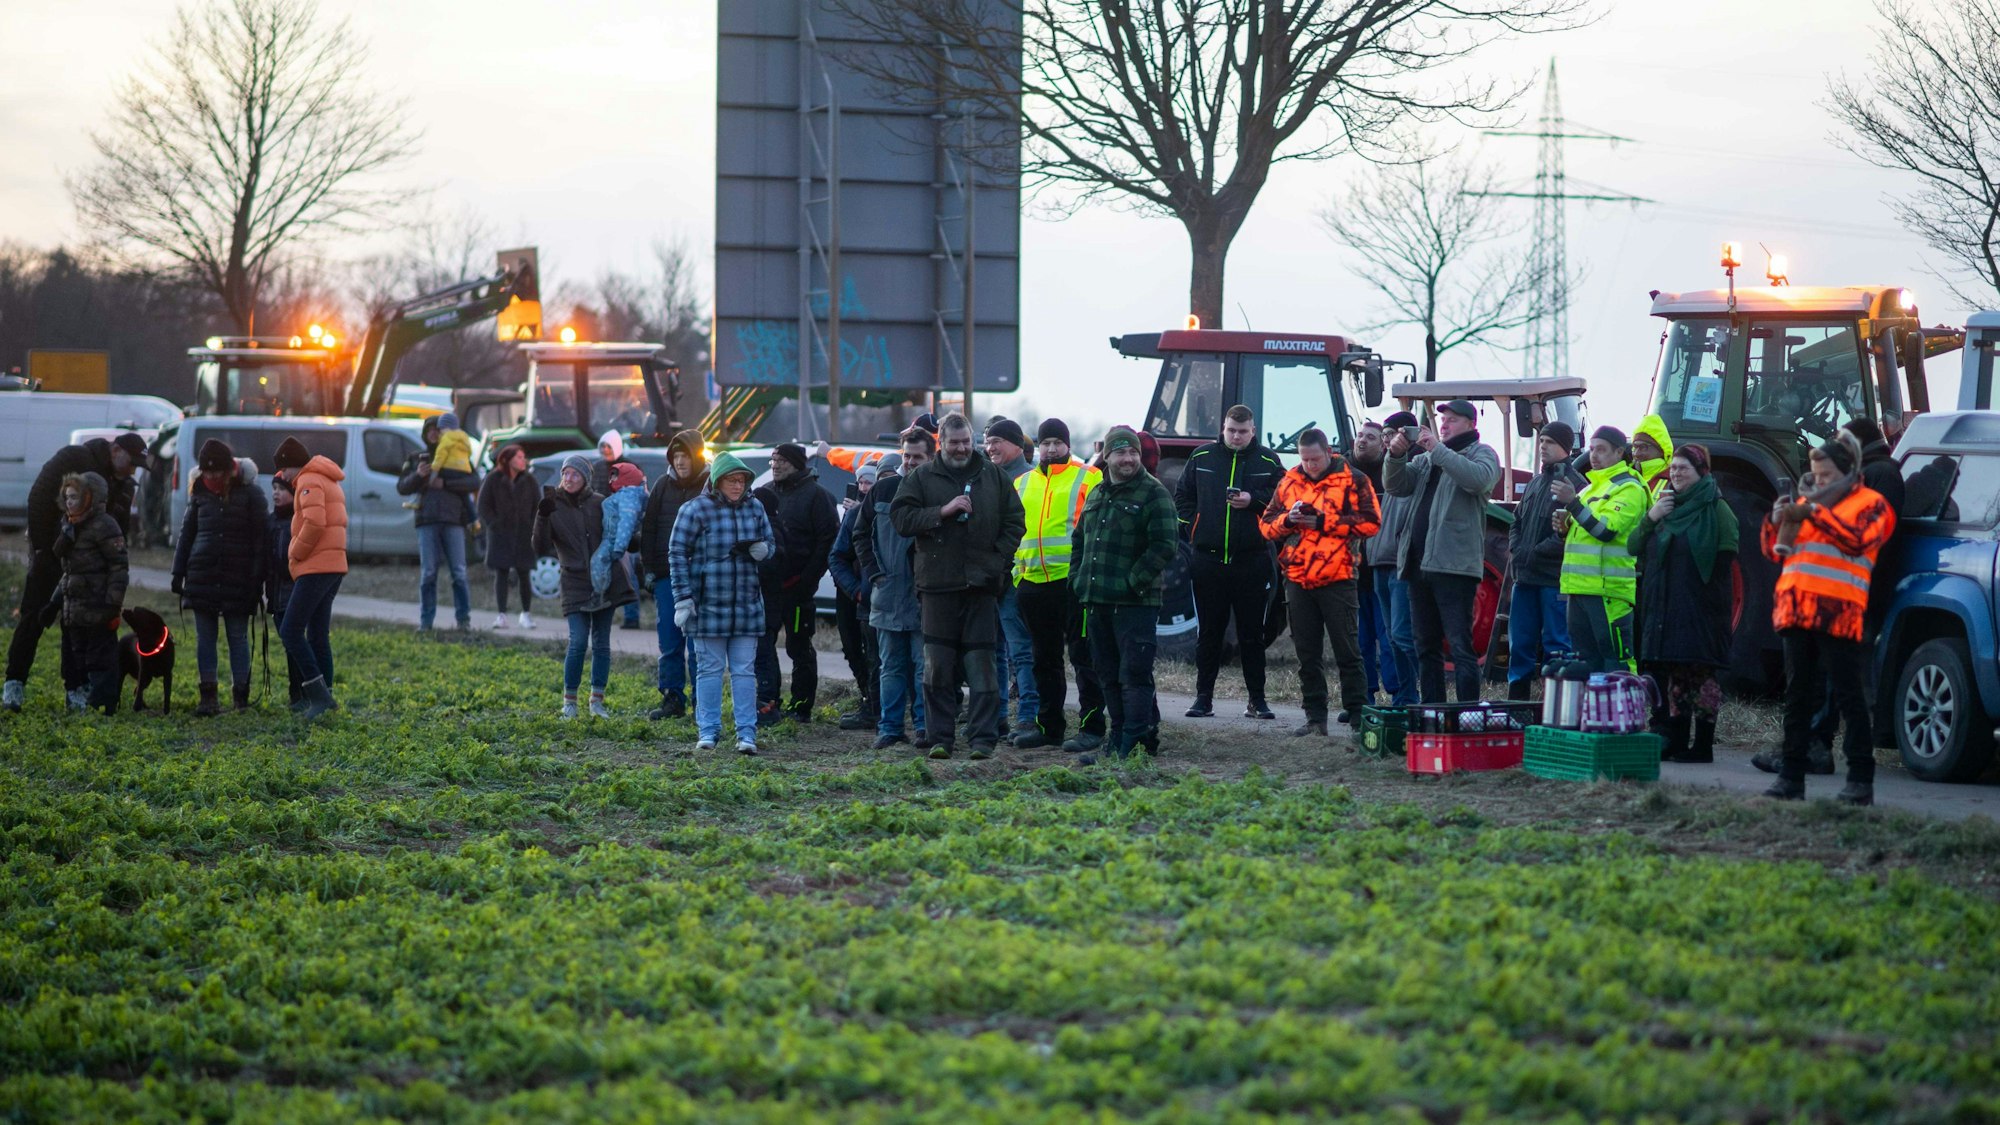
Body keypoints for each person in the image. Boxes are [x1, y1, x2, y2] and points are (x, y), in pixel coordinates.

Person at [1760, 432, 1895, 805]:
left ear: (1849, 470)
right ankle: (1790, 779)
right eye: (1816, 475)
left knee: (1850, 698)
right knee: (1797, 699)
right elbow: (1775, 554)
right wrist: (1774, 522)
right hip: (1796, 613)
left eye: (1827, 475)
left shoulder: (1872, 504)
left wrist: (1815, 513)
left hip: (1839, 615)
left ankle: (1860, 782)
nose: (1819, 482)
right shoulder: (1806, 502)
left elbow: (1858, 539)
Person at [889, 413, 1028, 760]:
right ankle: (940, 739)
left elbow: (1015, 521)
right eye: (954, 443)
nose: (962, 448)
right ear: (942, 444)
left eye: (967, 441)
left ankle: (982, 740)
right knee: (937, 668)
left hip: (981, 586)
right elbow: (901, 519)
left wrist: (997, 562)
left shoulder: (993, 477)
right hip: (937, 587)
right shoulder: (921, 478)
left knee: (983, 667)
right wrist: (942, 511)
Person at [4, 432, 144, 712]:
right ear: (115, 450)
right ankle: (14, 683)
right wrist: (44, 550)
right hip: (53, 555)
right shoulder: (75, 459)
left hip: (88, 571)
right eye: (131, 462)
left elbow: (119, 533)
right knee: (34, 617)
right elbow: (39, 499)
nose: (132, 469)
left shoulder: (122, 485)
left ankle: (76, 689)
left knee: (76, 628)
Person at [1256, 427, 1382, 735]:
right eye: (1304, 459)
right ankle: (1315, 719)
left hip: (1339, 577)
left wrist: (1326, 522)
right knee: (1307, 655)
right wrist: (1289, 520)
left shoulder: (1354, 480)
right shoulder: (1290, 481)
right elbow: (1266, 526)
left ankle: (1356, 717)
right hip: (1297, 579)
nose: (1309, 465)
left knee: (1347, 652)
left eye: (1315, 459)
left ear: (1328, 452)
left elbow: (1372, 523)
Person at [1071, 426, 1178, 763]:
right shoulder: (1098, 493)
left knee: (1134, 674)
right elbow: (1080, 540)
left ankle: (1134, 742)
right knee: (1107, 674)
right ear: (1108, 457)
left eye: (1132, 452)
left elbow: (1165, 545)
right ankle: (1117, 738)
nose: (1128, 458)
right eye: (1120, 452)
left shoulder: (1154, 493)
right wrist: (1077, 578)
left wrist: (1133, 581)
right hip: (1097, 601)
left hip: (1135, 604)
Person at [1384, 400, 1501, 704]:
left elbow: (1477, 480)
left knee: (1461, 647)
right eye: (1443, 419)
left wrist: (1437, 449)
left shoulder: (1482, 453)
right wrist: (1395, 456)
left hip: (1454, 568)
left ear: (1471, 424)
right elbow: (1397, 486)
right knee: (1426, 647)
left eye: (1452, 420)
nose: (1445, 424)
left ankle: (1467, 714)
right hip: (1419, 565)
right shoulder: (1427, 459)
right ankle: (1433, 713)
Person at [1174, 403, 1286, 720]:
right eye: (1231, 430)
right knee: (1209, 633)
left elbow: (1283, 498)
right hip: (1208, 560)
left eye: (1243, 431)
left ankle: (1257, 701)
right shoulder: (1202, 457)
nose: (1236, 436)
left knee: (1252, 635)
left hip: (1252, 560)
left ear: (1253, 431)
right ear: (1223, 428)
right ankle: (1203, 699)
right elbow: (1182, 495)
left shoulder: (1268, 460)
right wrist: (1193, 526)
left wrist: (1254, 501)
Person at [1629, 443, 1738, 763]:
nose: (1675, 473)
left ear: (1701, 472)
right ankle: (1676, 741)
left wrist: (1702, 594)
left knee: (1701, 678)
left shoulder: (1716, 508)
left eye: (1683, 469)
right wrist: (1651, 517)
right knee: (1676, 677)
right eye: (1673, 468)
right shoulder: (1666, 506)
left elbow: (1728, 552)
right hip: (1667, 606)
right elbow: (1634, 545)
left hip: (1701, 608)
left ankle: (1702, 747)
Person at [1011, 418, 1109, 752]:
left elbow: (1099, 528)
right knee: (1044, 660)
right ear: (1038, 446)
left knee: (1084, 657)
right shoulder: (1022, 483)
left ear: (1067, 445)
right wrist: (1017, 574)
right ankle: (1049, 727)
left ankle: (1092, 728)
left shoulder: (1089, 477)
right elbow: (1011, 531)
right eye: (1046, 443)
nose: (1052, 449)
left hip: (1073, 583)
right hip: (1033, 584)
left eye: (1057, 442)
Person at [668, 452, 776, 754]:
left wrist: (763, 550)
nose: (737, 485)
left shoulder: (755, 508)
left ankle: (746, 734)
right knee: (709, 670)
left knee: (744, 671)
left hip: (746, 604)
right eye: (732, 480)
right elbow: (676, 552)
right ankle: (709, 732)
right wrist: (683, 598)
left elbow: (771, 544)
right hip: (707, 605)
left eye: (741, 480)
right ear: (717, 481)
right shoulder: (695, 510)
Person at [534, 454, 638, 719]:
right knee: (578, 641)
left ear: (585, 479)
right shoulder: (551, 504)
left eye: (575, 475)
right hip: (574, 580)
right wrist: (542, 516)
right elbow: (539, 546)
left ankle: (597, 701)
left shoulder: (600, 503)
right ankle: (570, 701)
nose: (568, 479)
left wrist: (633, 532)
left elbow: (617, 533)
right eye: (565, 474)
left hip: (604, 580)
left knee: (602, 643)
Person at [170, 439, 268, 715]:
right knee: (206, 638)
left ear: (229, 470)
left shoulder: (251, 495)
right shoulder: (199, 494)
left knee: (237, 637)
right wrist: (178, 572)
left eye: (216, 473)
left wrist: (256, 579)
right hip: (202, 576)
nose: (211, 478)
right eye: (206, 472)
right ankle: (208, 697)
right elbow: (186, 535)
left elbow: (261, 541)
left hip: (239, 578)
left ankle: (241, 697)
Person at [856, 431, 933, 749]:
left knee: (923, 668)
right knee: (890, 667)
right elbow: (860, 534)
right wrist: (875, 574)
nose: (911, 461)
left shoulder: (936, 490)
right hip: (887, 594)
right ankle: (889, 729)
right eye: (907, 456)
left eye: (918, 456)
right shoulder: (883, 489)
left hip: (925, 596)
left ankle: (924, 728)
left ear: (930, 456)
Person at [752, 442, 840, 721]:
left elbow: (827, 542)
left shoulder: (817, 496)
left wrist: (807, 580)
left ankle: (801, 707)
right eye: (773, 461)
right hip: (768, 589)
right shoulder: (764, 495)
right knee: (763, 645)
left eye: (782, 461)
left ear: (797, 464)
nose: (775, 466)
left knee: (799, 646)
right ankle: (769, 703)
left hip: (798, 589)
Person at [1552, 426, 1647, 674]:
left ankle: (1625, 712)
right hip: (1578, 588)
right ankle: (1595, 713)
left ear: (1619, 452)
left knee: (1616, 662)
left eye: (1601, 450)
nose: (1594, 455)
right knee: (1587, 663)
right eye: (1592, 449)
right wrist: (1563, 529)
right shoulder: (1591, 488)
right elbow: (1584, 535)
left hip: (1609, 591)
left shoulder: (1629, 488)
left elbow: (1606, 531)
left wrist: (1572, 503)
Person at [42, 472, 128, 714]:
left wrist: (113, 604)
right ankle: (80, 702)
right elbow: (70, 573)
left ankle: (102, 706)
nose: (70, 502)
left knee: (100, 660)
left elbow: (119, 568)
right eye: (67, 497)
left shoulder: (105, 525)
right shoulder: (69, 527)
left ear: (90, 497)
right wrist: (54, 603)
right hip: (74, 611)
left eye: (75, 497)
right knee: (75, 660)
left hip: (98, 609)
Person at [273, 436, 345, 720]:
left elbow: (315, 523)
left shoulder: (308, 480)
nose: (283, 477)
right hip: (333, 564)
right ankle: (325, 695)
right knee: (317, 635)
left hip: (317, 566)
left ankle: (318, 696)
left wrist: (295, 551)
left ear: (292, 465)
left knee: (290, 630)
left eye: (283, 470)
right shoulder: (326, 477)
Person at [639, 430, 709, 720]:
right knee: (669, 640)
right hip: (667, 576)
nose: (680, 462)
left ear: (696, 457)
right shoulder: (661, 486)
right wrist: (650, 571)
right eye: (676, 456)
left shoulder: (710, 485)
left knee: (698, 644)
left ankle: (701, 703)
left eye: (685, 456)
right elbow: (650, 529)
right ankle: (672, 698)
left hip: (700, 576)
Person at [1504, 421, 1577, 699]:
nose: (1543, 446)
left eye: (1550, 442)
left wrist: (1535, 552)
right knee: (1519, 643)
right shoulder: (1535, 483)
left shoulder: (1575, 485)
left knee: (1556, 644)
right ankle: (1517, 703)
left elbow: (1570, 533)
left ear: (1565, 448)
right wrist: (1517, 548)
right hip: (1524, 579)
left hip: (1553, 580)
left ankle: (1556, 705)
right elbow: (1516, 522)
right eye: (1541, 440)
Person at [397, 415, 479, 634]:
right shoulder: (416, 458)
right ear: (425, 434)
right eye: (430, 430)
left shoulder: (457, 455)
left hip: (453, 520)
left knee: (459, 573)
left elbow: (474, 481)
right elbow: (402, 487)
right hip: (426, 521)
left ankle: (463, 621)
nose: (434, 433)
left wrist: (446, 483)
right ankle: (426, 623)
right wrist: (418, 475)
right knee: (429, 573)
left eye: (438, 429)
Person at [984, 417, 1040, 740]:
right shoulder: (986, 477)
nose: (991, 447)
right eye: (988, 442)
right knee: (994, 650)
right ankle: (1000, 715)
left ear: (1017, 445)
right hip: (990, 577)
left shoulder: (1029, 480)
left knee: (1021, 651)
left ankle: (1029, 715)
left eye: (997, 441)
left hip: (1016, 579)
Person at [1368, 411, 1422, 707]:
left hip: (1400, 564)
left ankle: (1419, 691)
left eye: (1390, 434)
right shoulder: (1391, 468)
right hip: (1381, 560)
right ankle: (1403, 697)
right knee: (1391, 637)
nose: (1386, 440)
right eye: (1385, 434)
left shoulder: (1414, 467)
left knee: (1403, 634)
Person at [828, 459, 885, 731]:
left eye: (869, 482)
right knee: (856, 648)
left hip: (886, 596)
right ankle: (869, 699)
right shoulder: (853, 515)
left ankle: (882, 706)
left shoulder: (898, 510)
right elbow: (837, 556)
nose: (864, 487)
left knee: (885, 656)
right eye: (860, 482)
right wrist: (856, 590)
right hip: (857, 594)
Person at [1348, 421, 1402, 704]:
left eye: (1370, 437)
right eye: (1359, 435)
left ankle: (1396, 697)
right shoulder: (1342, 473)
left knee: (1389, 639)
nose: (1362, 441)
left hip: (1382, 570)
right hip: (1350, 573)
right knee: (1359, 643)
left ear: (1382, 444)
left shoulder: (1391, 475)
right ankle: (1363, 699)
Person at [478, 443, 542, 630]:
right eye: (519, 457)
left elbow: (537, 506)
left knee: (524, 573)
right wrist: (494, 523)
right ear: (507, 459)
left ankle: (526, 614)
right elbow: (483, 505)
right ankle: (501, 615)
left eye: (523, 457)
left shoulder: (529, 480)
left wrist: (533, 526)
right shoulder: (493, 479)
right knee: (502, 572)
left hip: (524, 533)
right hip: (501, 534)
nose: (523, 461)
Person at [590, 429, 644, 630]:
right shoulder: (596, 468)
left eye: (608, 446)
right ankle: (603, 613)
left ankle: (632, 617)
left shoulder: (630, 467)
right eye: (602, 446)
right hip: (602, 527)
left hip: (625, 528)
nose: (605, 450)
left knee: (627, 573)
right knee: (602, 570)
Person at [266, 471, 301, 706]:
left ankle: (298, 691)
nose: (276, 493)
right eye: (274, 489)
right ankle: (296, 692)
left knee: (294, 644)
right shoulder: (270, 521)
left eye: (282, 489)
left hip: (293, 592)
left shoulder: (297, 521)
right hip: (275, 594)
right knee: (288, 642)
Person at [592, 462, 647, 600]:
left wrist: (619, 546)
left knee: (598, 560)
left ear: (626, 478)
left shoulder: (628, 496)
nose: (611, 481)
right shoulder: (625, 495)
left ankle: (600, 594)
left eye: (615, 477)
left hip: (614, 539)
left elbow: (626, 522)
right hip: (613, 537)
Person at [1630, 415, 1675, 497]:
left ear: (1661, 451)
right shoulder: (1624, 476)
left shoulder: (1675, 481)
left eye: (1643, 447)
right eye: (1634, 447)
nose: (1636, 453)